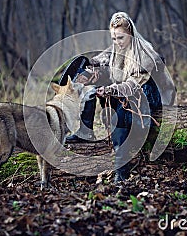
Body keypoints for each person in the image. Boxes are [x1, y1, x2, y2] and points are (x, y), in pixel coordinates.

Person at [71, 12, 176, 183]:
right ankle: (85, 131)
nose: (116, 42)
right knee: (91, 92)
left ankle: (121, 172)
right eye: (113, 38)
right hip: (126, 89)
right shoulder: (116, 49)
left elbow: (131, 86)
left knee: (120, 117)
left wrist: (109, 90)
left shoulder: (145, 55)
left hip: (148, 94)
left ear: (131, 34)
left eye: (120, 38)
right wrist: (92, 72)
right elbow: (100, 61)